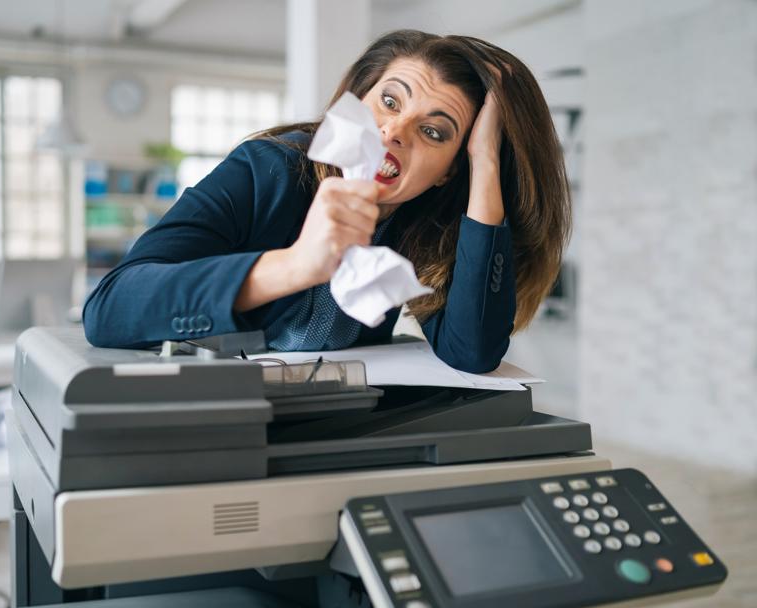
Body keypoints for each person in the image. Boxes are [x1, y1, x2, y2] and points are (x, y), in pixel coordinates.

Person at [83, 30, 570, 374]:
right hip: (214, 412)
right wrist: (296, 265)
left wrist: (485, 160)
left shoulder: (421, 219)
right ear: (356, 102)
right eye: (389, 102)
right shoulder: (266, 169)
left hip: (335, 422)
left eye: (433, 131)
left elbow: (472, 354)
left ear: (448, 172)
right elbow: (110, 308)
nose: (393, 133)